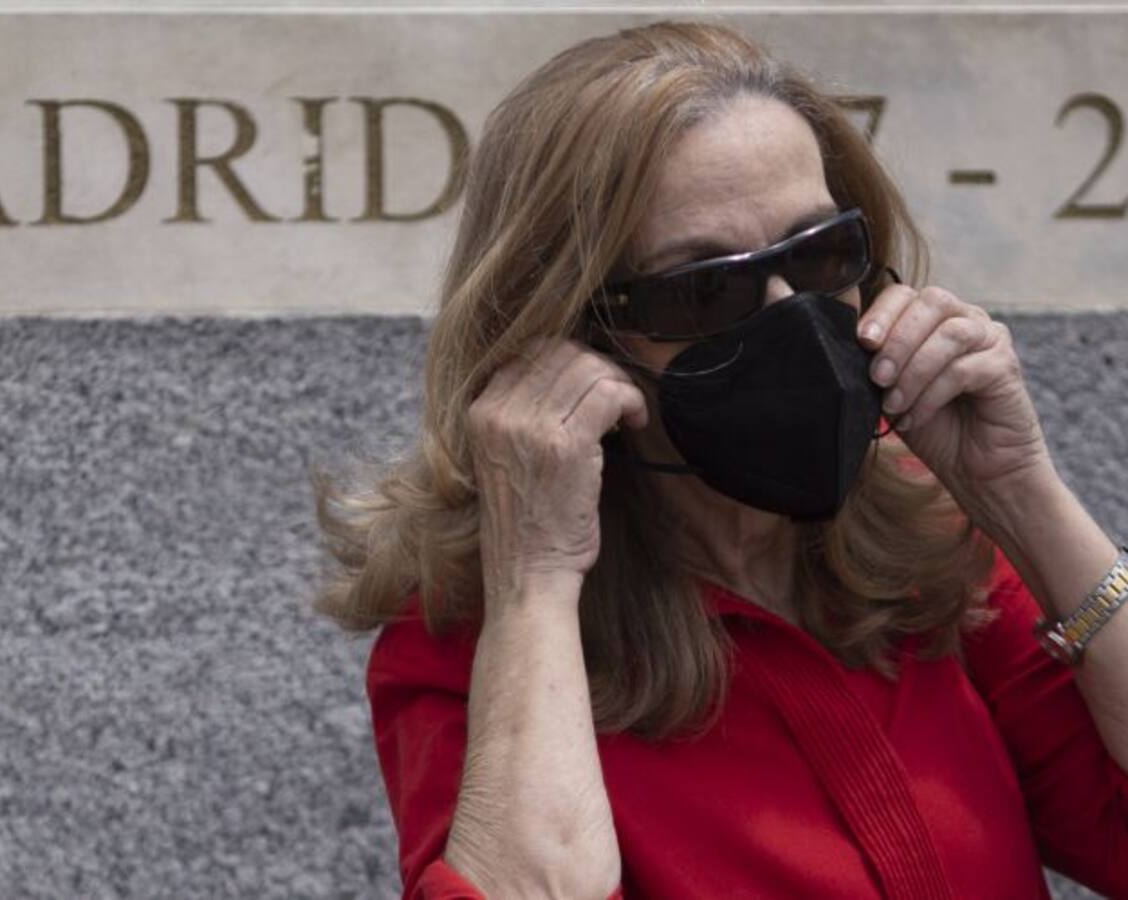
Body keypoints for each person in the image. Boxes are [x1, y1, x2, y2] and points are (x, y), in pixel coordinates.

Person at [314, 21, 1128, 899]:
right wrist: (536, 583)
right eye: (706, 288)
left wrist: (1021, 493)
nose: (789, 314)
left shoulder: (925, 545)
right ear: (569, 334)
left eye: (819, 253)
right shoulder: (477, 639)